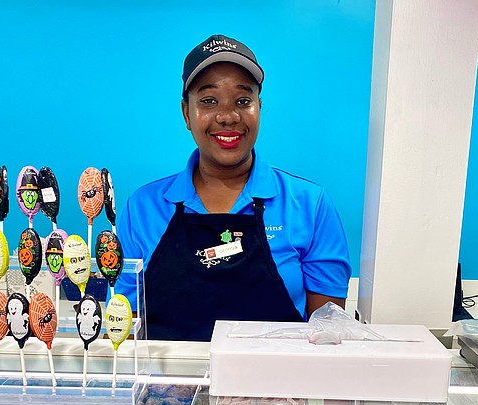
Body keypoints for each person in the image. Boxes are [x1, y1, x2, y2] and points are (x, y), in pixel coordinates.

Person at [116, 34, 351, 341]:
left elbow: (329, 334)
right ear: (187, 113)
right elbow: (125, 329)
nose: (228, 116)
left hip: (274, 385)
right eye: (209, 101)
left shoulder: (310, 205)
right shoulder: (143, 208)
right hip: (165, 387)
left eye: (243, 101)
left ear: (259, 108)